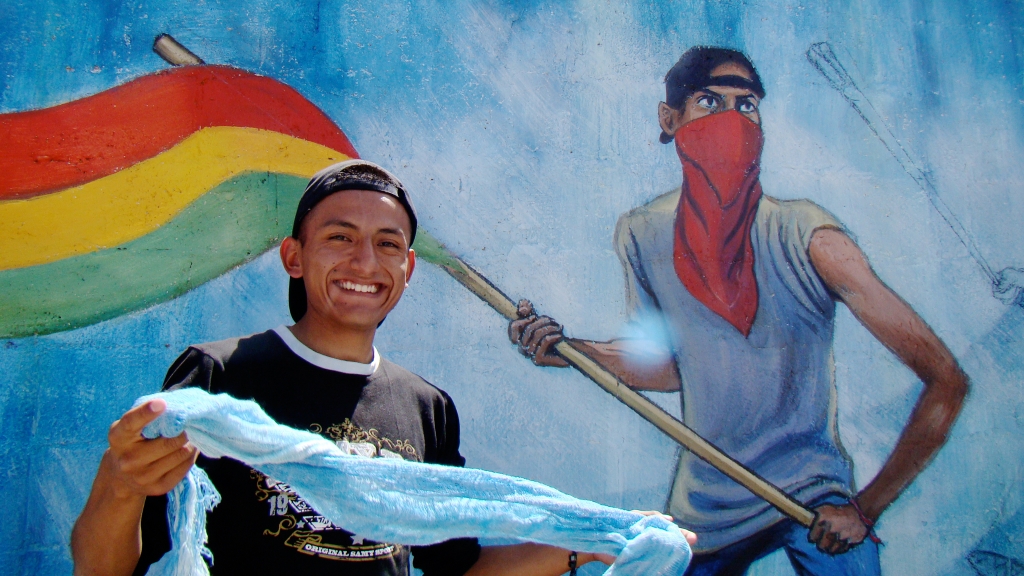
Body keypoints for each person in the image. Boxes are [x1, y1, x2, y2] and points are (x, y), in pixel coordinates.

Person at [71, 160, 681, 576]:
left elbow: (459, 568)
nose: (366, 260)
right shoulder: (222, 376)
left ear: (408, 269)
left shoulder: (426, 406)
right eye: (339, 237)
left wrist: (596, 541)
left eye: (388, 244)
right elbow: (104, 566)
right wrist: (119, 483)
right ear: (294, 257)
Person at [509, 47, 969, 575]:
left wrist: (865, 510)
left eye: (746, 105)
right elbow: (672, 367)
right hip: (707, 508)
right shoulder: (642, 233)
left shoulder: (809, 238)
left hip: (814, 501)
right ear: (669, 119)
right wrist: (574, 352)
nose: (732, 120)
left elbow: (946, 379)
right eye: (709, 101)